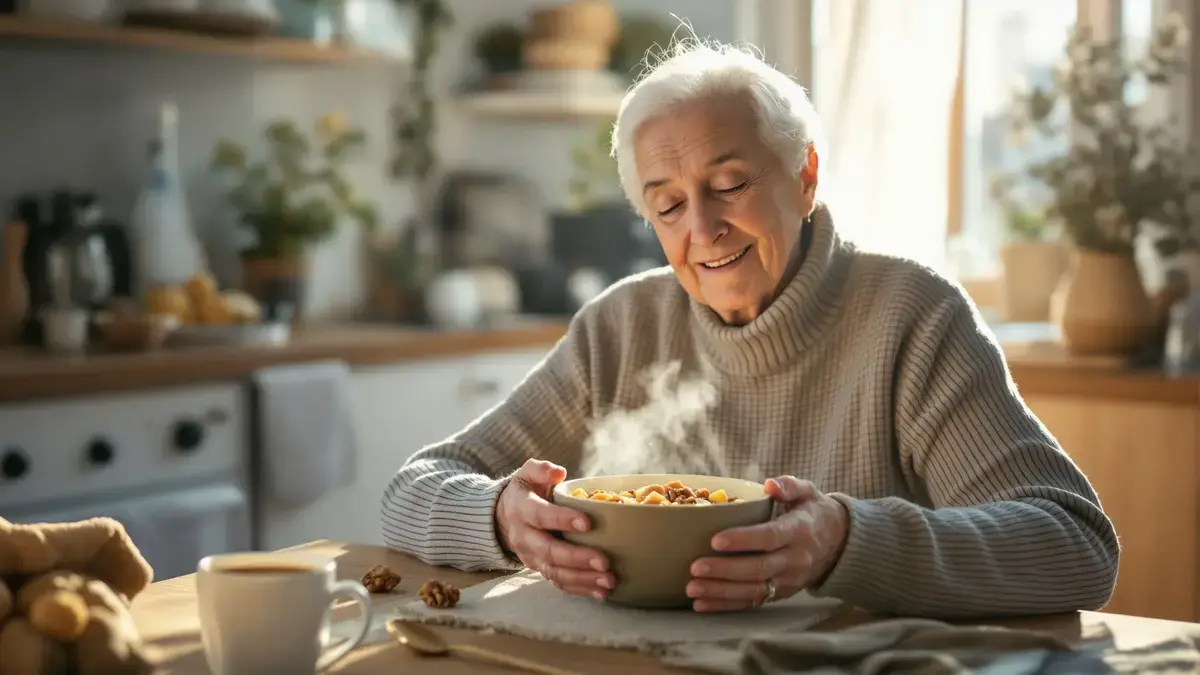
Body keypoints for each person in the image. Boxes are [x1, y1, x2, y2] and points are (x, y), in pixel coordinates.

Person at [380, 38, 1119, 618]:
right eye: (668, 206)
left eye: (730, 185)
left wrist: (845, 540)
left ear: (805, 176)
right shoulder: (623, 326)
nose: (703, 229)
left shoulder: (910, 317)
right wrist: (503, 518)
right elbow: (411, 489)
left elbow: (1074, 545)